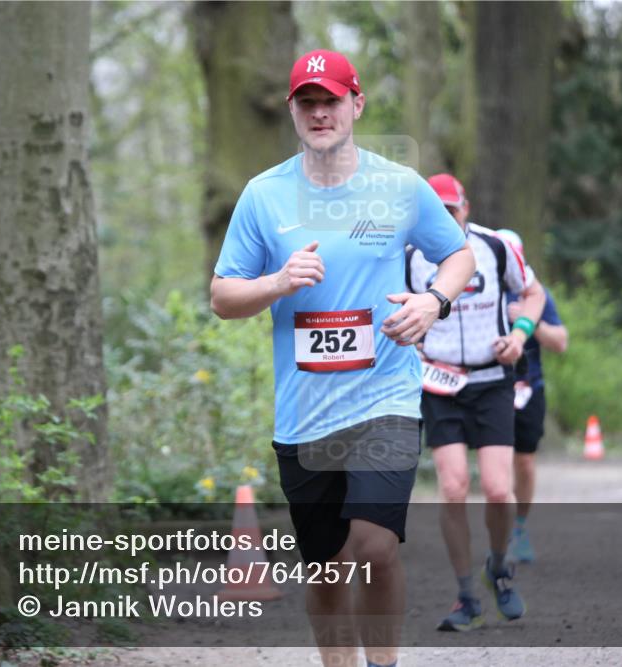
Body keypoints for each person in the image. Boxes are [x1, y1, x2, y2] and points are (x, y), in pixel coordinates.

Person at [210, 50, 475, 667]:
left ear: (356, 104)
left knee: (376, 546)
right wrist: (276, 282)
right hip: (304, 414)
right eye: (308, 102)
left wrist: (433, 302)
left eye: (332, 100)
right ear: (294, 113)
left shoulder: (399, 187)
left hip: (385, 397)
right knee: (325, 569)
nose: (320, 112)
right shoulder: (263, 196)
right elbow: (223, 296)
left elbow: (457, 256)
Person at [407, 174, 545, 631]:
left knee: (499, 489)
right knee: (452, 487)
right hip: (440, 383)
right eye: (438, 211)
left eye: (453, 209)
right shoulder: (409, 255)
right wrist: (412, 343)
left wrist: (520, 335)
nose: (447, 218)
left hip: (491, 381)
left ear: (466, 207)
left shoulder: (495, 247)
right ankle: (466, 595)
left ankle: (498, 567)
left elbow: (533, 293)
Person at [496, 229, 568, 564]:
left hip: (529, 389)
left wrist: (528, 323)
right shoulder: (479, 289)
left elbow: (561, 342)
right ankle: (500, 533)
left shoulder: (537, 294)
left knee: (524, 462)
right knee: (496, 463)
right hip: (489, 390)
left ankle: (520, 528)